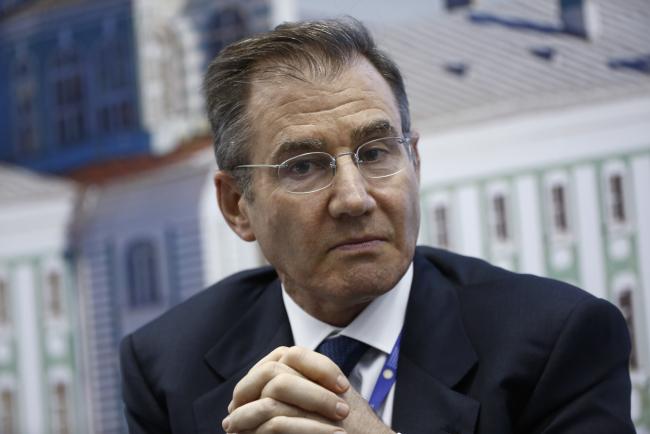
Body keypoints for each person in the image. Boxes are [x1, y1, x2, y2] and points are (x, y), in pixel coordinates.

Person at [120, 18, 635, 434]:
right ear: (237, 206)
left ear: (414, 162)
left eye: (376, 152)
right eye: (304, 165)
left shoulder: (557, 341)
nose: (354, 197)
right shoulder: (167, 365)